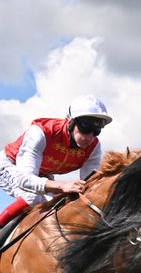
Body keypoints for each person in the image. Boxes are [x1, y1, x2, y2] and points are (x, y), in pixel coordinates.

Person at [0, 95, 112, 227]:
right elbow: (24, 179)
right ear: (70, 122)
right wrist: (62, 186)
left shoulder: (94, 148)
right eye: (86, 128)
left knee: (55, 206)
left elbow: (90, 185)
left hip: (42, 173)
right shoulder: (41, 132)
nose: (90, 136)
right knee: (33, 198)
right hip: (10, 165)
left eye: (96, 131)